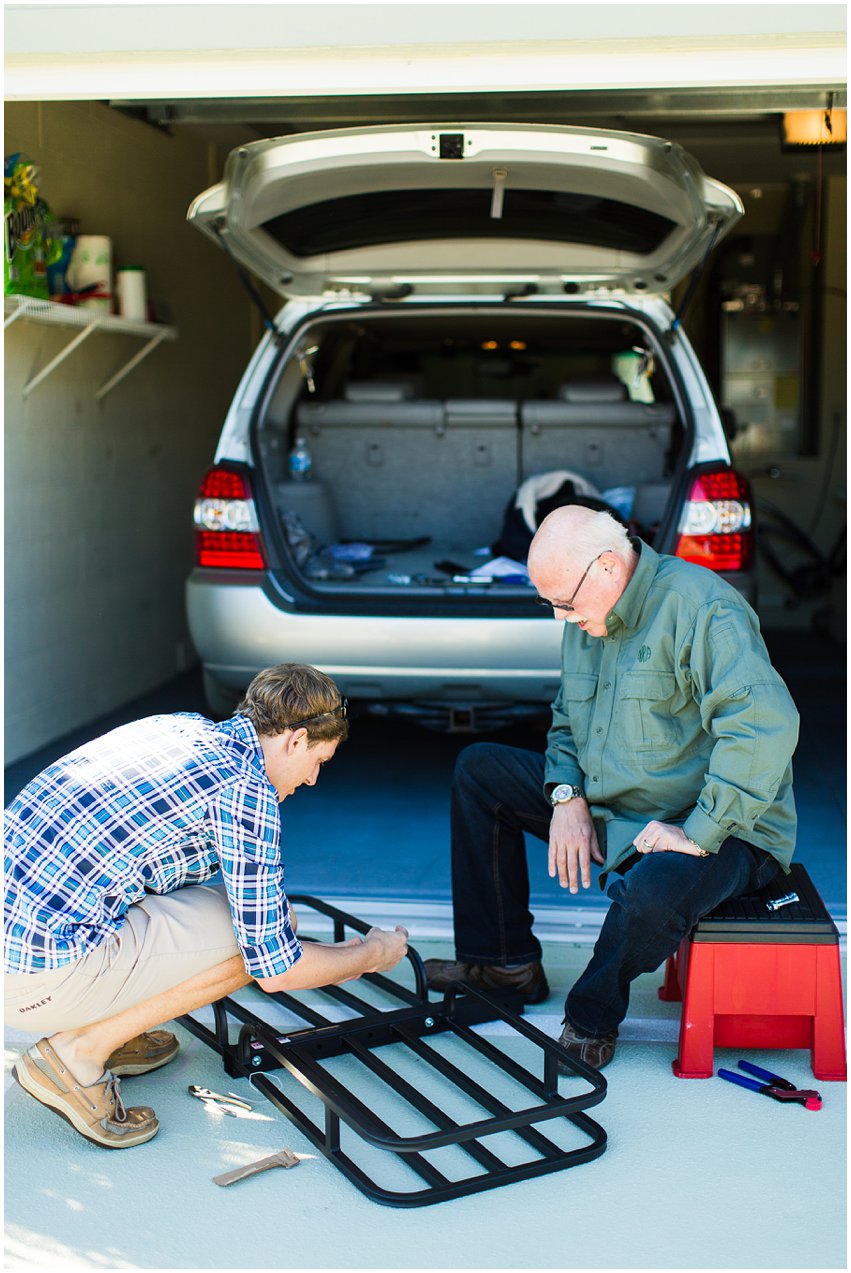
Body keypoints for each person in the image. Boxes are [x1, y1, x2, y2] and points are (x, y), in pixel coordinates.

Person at [425, 505, 799, 1071]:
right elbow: (566, 719)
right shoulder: (588, 617)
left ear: (605, 567)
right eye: (548, 604)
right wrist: (565, 794)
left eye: (564, 603)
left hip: (720, 824)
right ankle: (504, 964)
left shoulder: (702, 609)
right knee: (480, 770)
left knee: (656, 888)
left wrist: (698, 833)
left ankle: (592, 1017)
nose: (558, 617)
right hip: (615, 802)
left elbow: (765, 726)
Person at [5, 663, 408, 1148]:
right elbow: (276, 969)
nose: (313, 780)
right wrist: (372, 955)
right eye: (319, 760)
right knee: (260, 939)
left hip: (23, 947)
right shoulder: (246, 793)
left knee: (236, 913)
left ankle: (105, 1024)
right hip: (37, 979)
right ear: (295, 740)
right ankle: (78, 1054)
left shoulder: (173, 727)